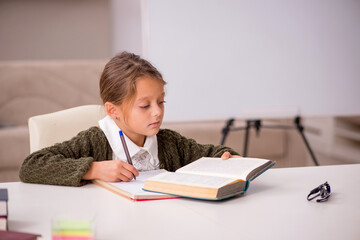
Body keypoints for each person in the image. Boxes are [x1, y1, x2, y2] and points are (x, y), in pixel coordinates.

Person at [19, 52, 240, 187]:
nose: (157, 112)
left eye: (161, 102)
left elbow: (216, 154)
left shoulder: (169, 143)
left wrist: (228, 158)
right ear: (113, 110)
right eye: (145, 105)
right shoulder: (95, 141)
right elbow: (31, 166)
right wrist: (93, 170)